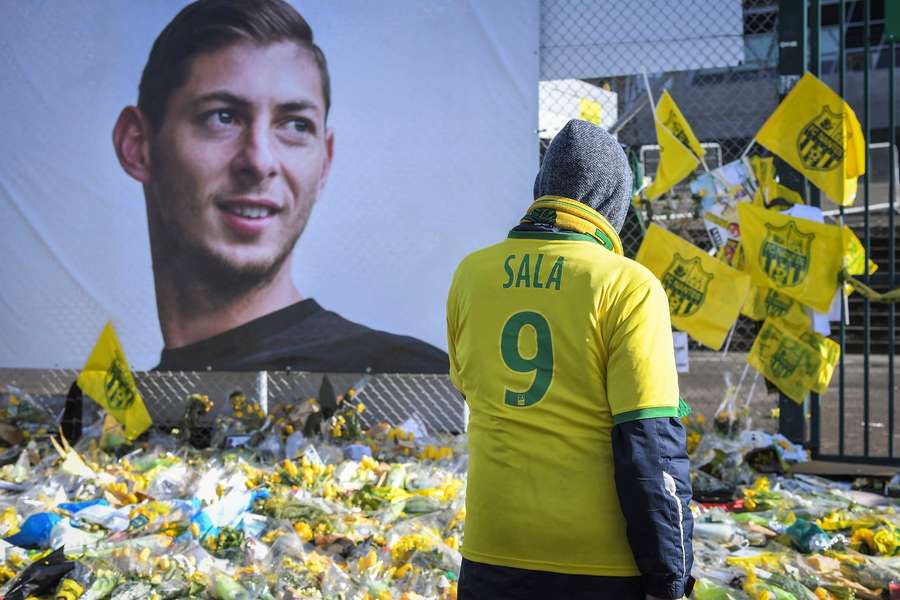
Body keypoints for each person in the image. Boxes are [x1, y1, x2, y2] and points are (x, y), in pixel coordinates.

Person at [112, 0, 447, 373]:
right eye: (222, 117)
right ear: (137, 145)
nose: (260, 162)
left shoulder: (415, 387)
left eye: (295, 125)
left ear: (325, 162)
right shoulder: (108, 419)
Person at [446, 120, 694, 599]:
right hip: (599, 562)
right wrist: (672, 579)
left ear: (542, 190)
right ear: (613, 202)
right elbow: (651, 446)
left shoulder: (469, 274)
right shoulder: (628, 285)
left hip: (491, 549)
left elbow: (470, 387)